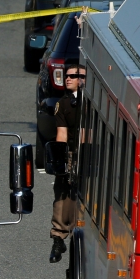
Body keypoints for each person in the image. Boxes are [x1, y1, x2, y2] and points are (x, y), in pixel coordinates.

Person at [50, 62, 85, 264]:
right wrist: (61, 161)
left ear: (83, 80)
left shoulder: (92, 100)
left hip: (91, 151)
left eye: (73, 76)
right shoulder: (63, 104)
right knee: (62, 192)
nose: (68, 78)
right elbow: (61, 134)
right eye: (67, 75)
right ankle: (58, 237)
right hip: (71, 152)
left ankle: (82, 230)